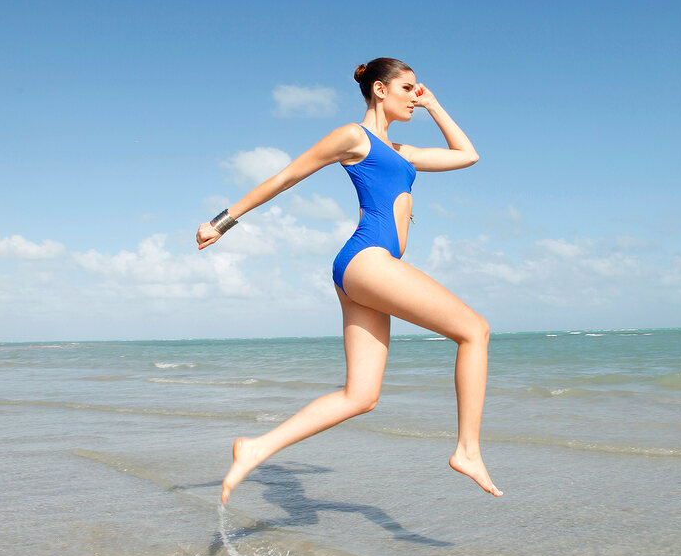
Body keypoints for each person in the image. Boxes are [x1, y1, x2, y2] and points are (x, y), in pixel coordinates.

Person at [197, 57, 502, 504]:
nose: (415, 98)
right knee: (475, 331)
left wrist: (435, 105)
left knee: (360, 396)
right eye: (409, 90)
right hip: (368, 259)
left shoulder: (401, 152)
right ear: (380, 90)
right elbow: (285, 177)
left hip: (365, 270)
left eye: (420, 91)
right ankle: (467, 451)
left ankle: (256, 447)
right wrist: (221, 222)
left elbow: (467, 155)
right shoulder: (353, 137)